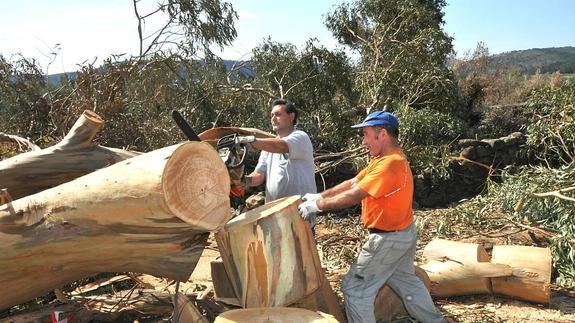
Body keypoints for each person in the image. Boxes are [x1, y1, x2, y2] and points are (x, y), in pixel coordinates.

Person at [298, 111, 445, 323]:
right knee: (406, 282)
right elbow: (352, 183)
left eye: (366, 135)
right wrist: (319, 196)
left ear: (382, 134)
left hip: (388, 240)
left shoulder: (390, 164)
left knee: (355, 289)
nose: (364, 141)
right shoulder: (383, 160)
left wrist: (318, 206)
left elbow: (355, 195)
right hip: (403, 234)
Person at [235, 99, 318, 231]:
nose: (273, 118)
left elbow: (282, 146)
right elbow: (259, 176)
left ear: (291, 116)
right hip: (275, 217)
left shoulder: (301, 137)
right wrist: (243, 181)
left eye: (278, 114)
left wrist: (250, 141)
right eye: (272, 115)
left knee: (300, 251)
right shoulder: (268, 148)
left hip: (300, 216)